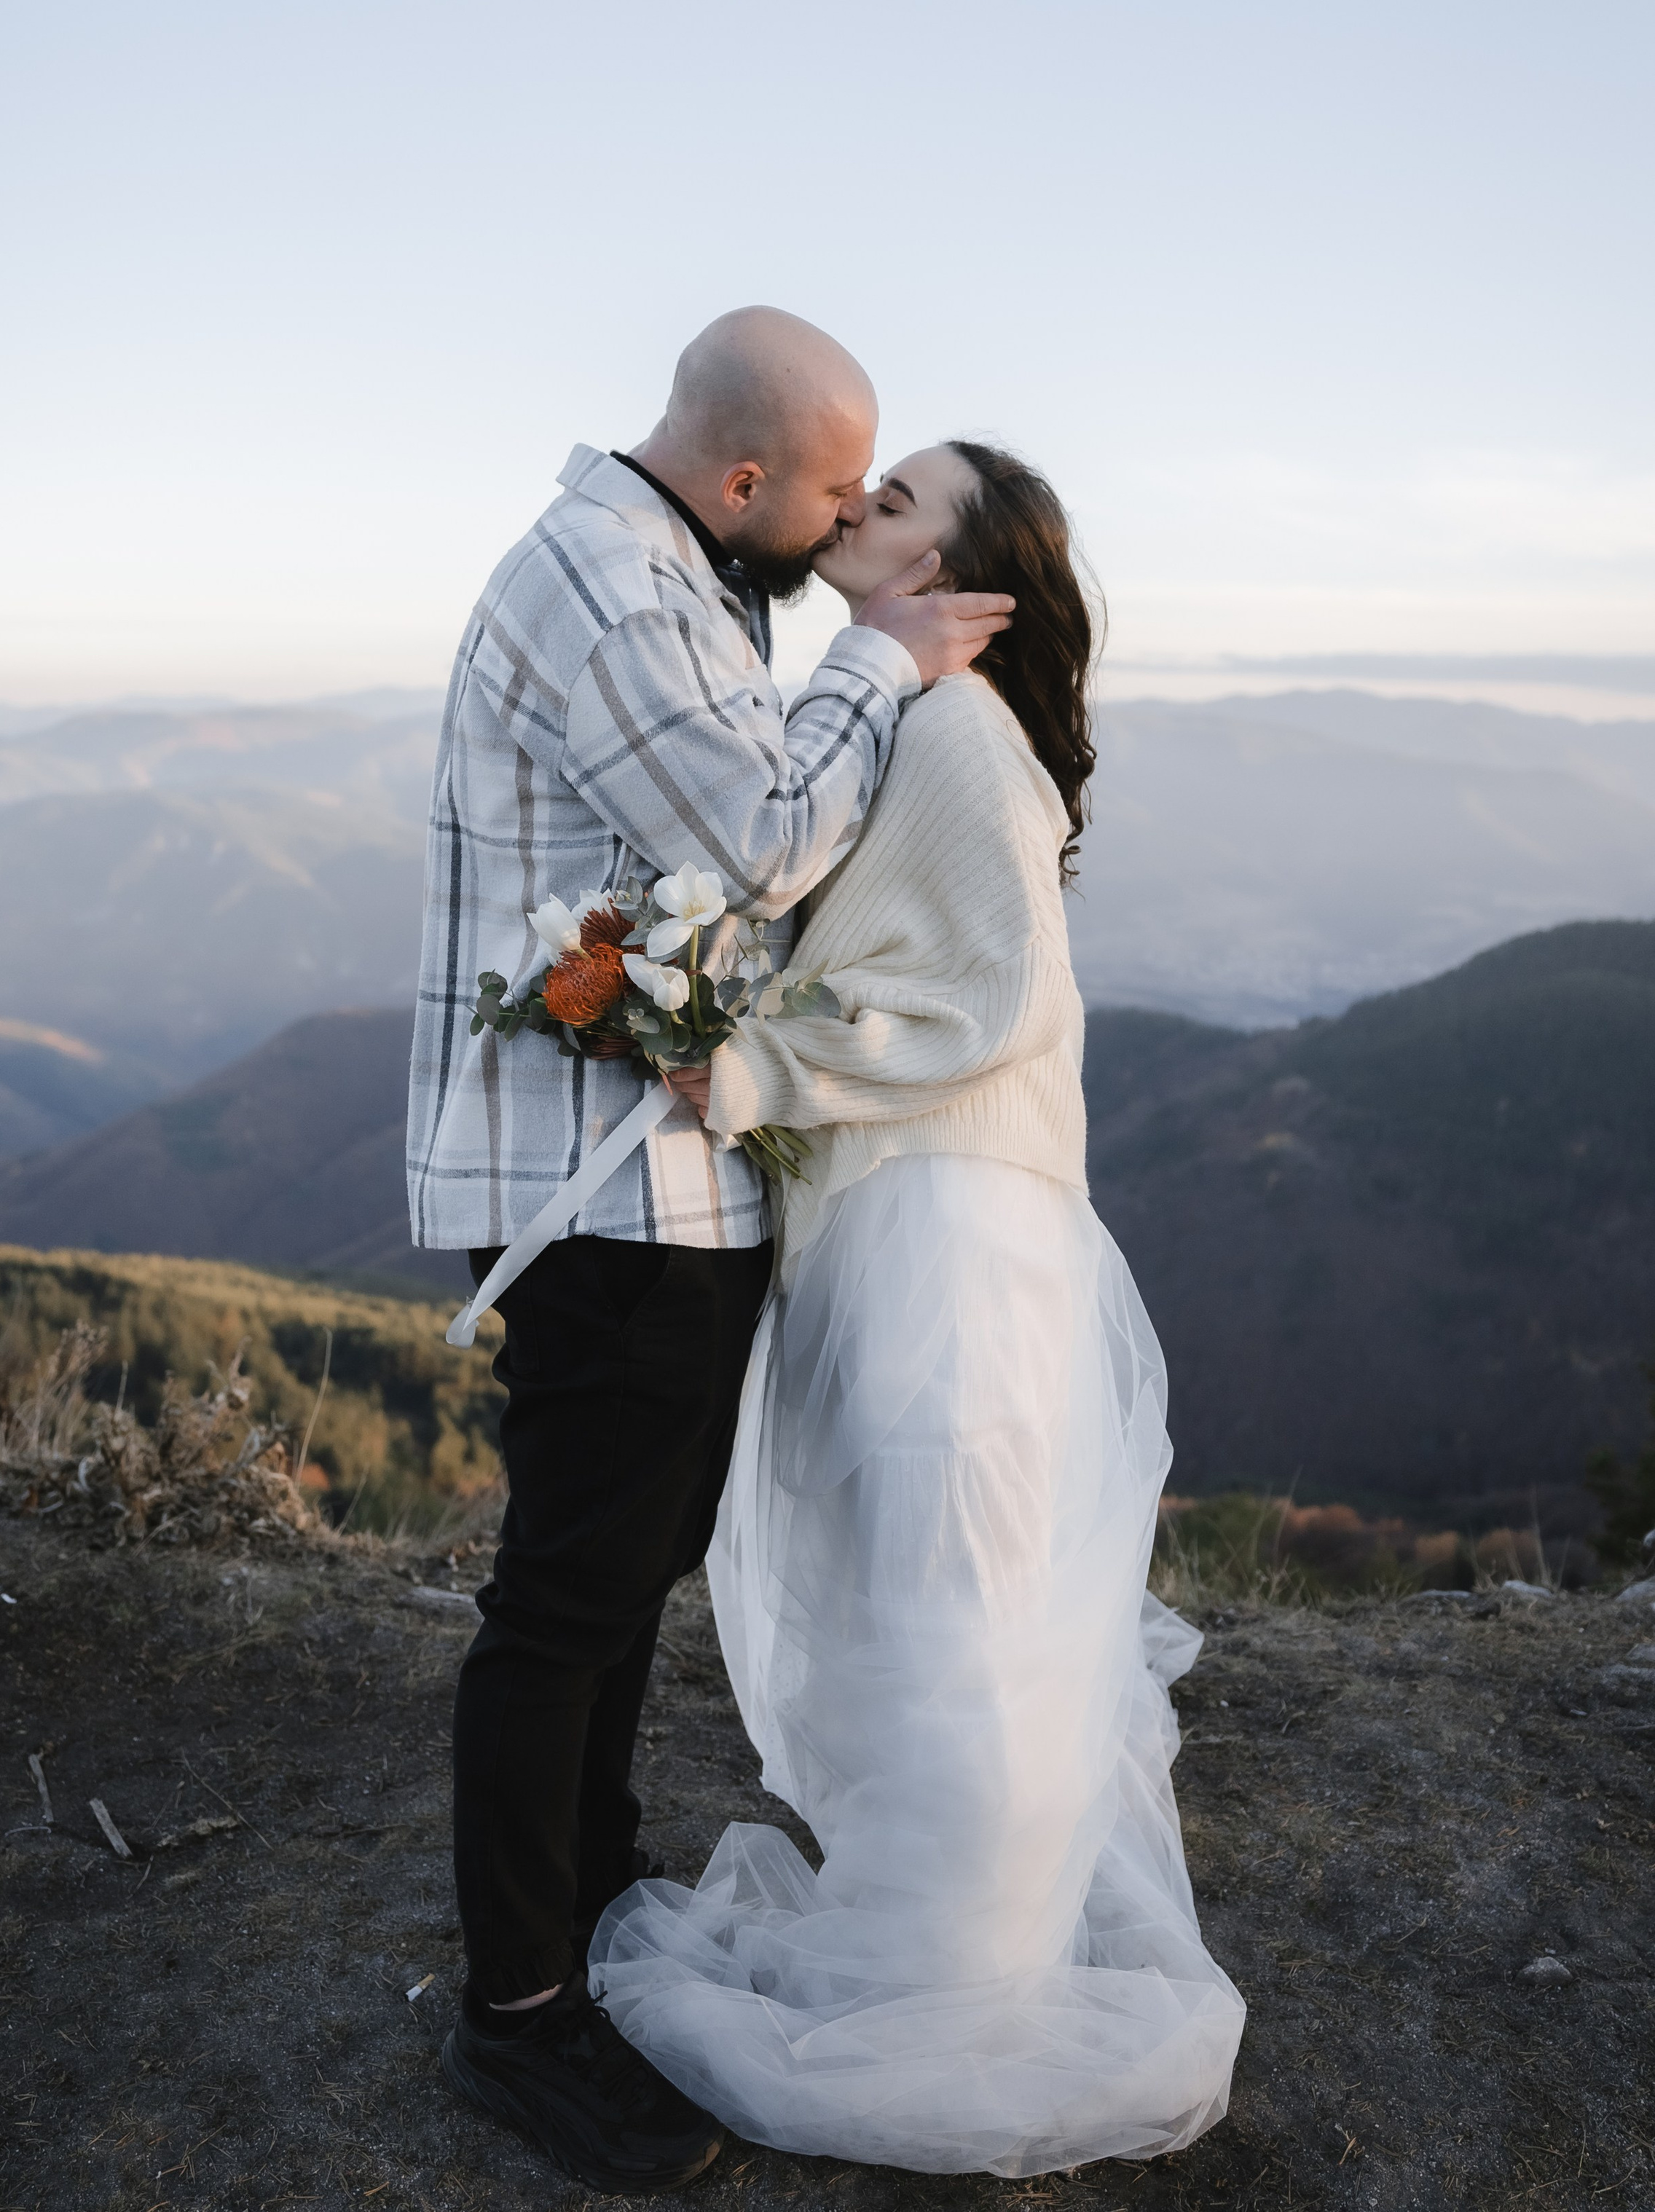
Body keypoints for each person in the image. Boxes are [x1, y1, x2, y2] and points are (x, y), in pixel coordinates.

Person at [588, 441, 1247, 2179]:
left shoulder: (951, 732)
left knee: (949, 1602)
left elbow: (996, 998)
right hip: (903, 1220)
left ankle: (948, 1990)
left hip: (948, 1236)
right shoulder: (896, 714)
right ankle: (937, 1935)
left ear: (959, 580)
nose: (854, 511)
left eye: (893, 504)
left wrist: (744, 1059)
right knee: (925, 1601)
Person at [406, 311, 1014, 2194]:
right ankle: (518, 2019)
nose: (846, 524)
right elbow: (753, 836)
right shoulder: (613, 586)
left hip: (660, 1179)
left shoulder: (672, 572)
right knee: (568, 1601)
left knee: (624, 1571)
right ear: (746, 480)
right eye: (838, 489)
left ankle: (582, 1904)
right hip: (603, 1196)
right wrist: (884, 658)